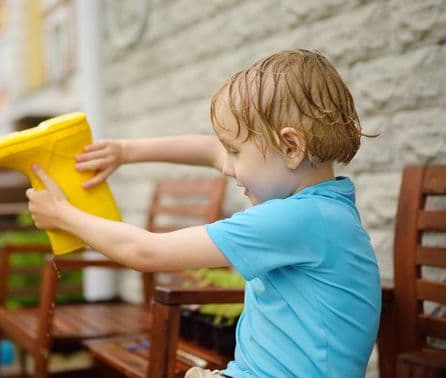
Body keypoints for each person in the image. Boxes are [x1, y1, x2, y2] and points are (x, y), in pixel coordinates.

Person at [26, 49, 381, 377]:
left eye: (236, 153)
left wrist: (63, 216)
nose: (227, 167)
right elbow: (210, 151)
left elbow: (145, 252)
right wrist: (125, 151)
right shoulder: (325, 210)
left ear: (291, 147)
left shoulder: (295, 220)